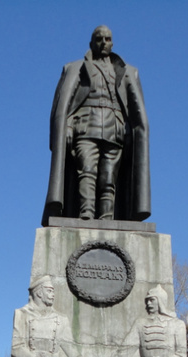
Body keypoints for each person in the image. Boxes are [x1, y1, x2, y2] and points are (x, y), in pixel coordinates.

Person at [43, 25, 150, 225]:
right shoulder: (75, 68)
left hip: (114, 131)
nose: (103, 43)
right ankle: (87, 214)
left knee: (109, 177)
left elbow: (135, 111)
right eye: (99, 39)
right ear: (91, 43)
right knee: (87, 170)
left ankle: (107, 218)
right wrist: (66, 125)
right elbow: (62, 106)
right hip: (85, 127)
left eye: (107, 39)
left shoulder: (127, 72)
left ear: (112, 43)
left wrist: (131, 134)